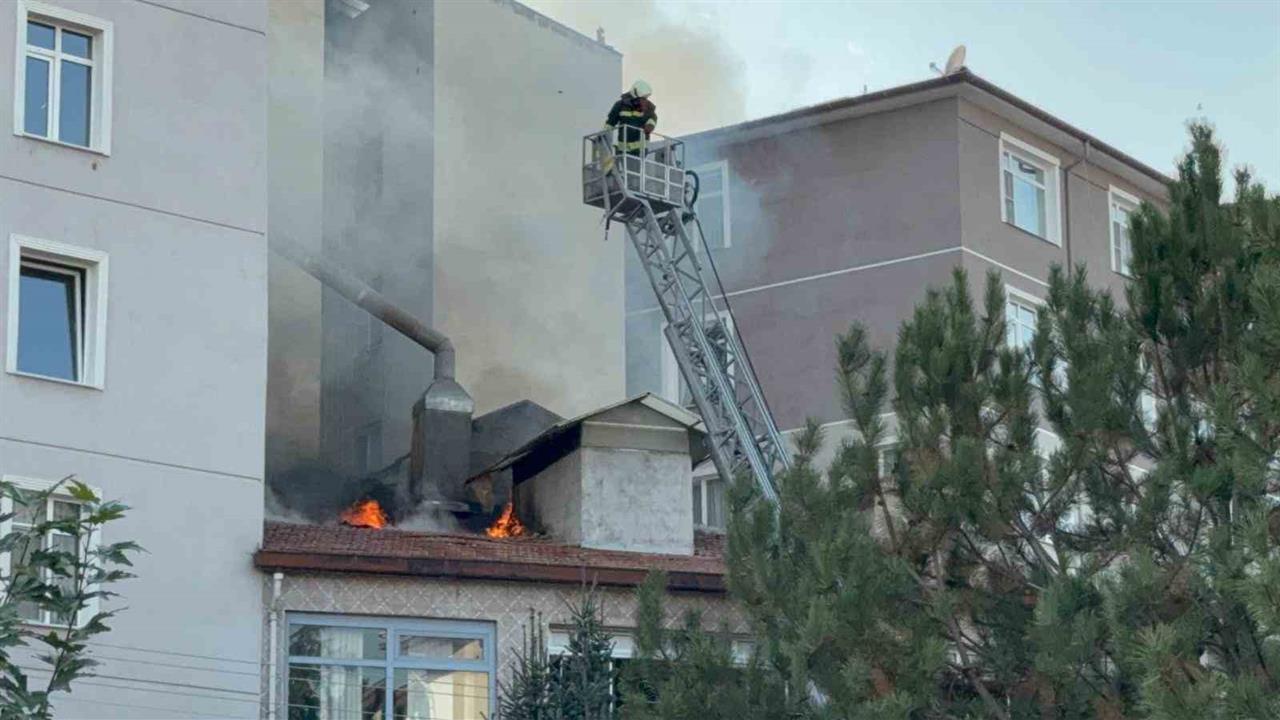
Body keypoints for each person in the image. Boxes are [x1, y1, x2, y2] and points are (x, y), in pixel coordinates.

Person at [605, 80, 657, 155]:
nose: (644, 100)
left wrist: (650, 125)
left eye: (645, 98)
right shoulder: (620, 105)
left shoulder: (648, 107)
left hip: (640, 150)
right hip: (623, 150)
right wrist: (603, 138)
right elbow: (610, 123)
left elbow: (652, 117)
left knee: (635, 165)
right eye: (642, 98)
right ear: (635, 94)